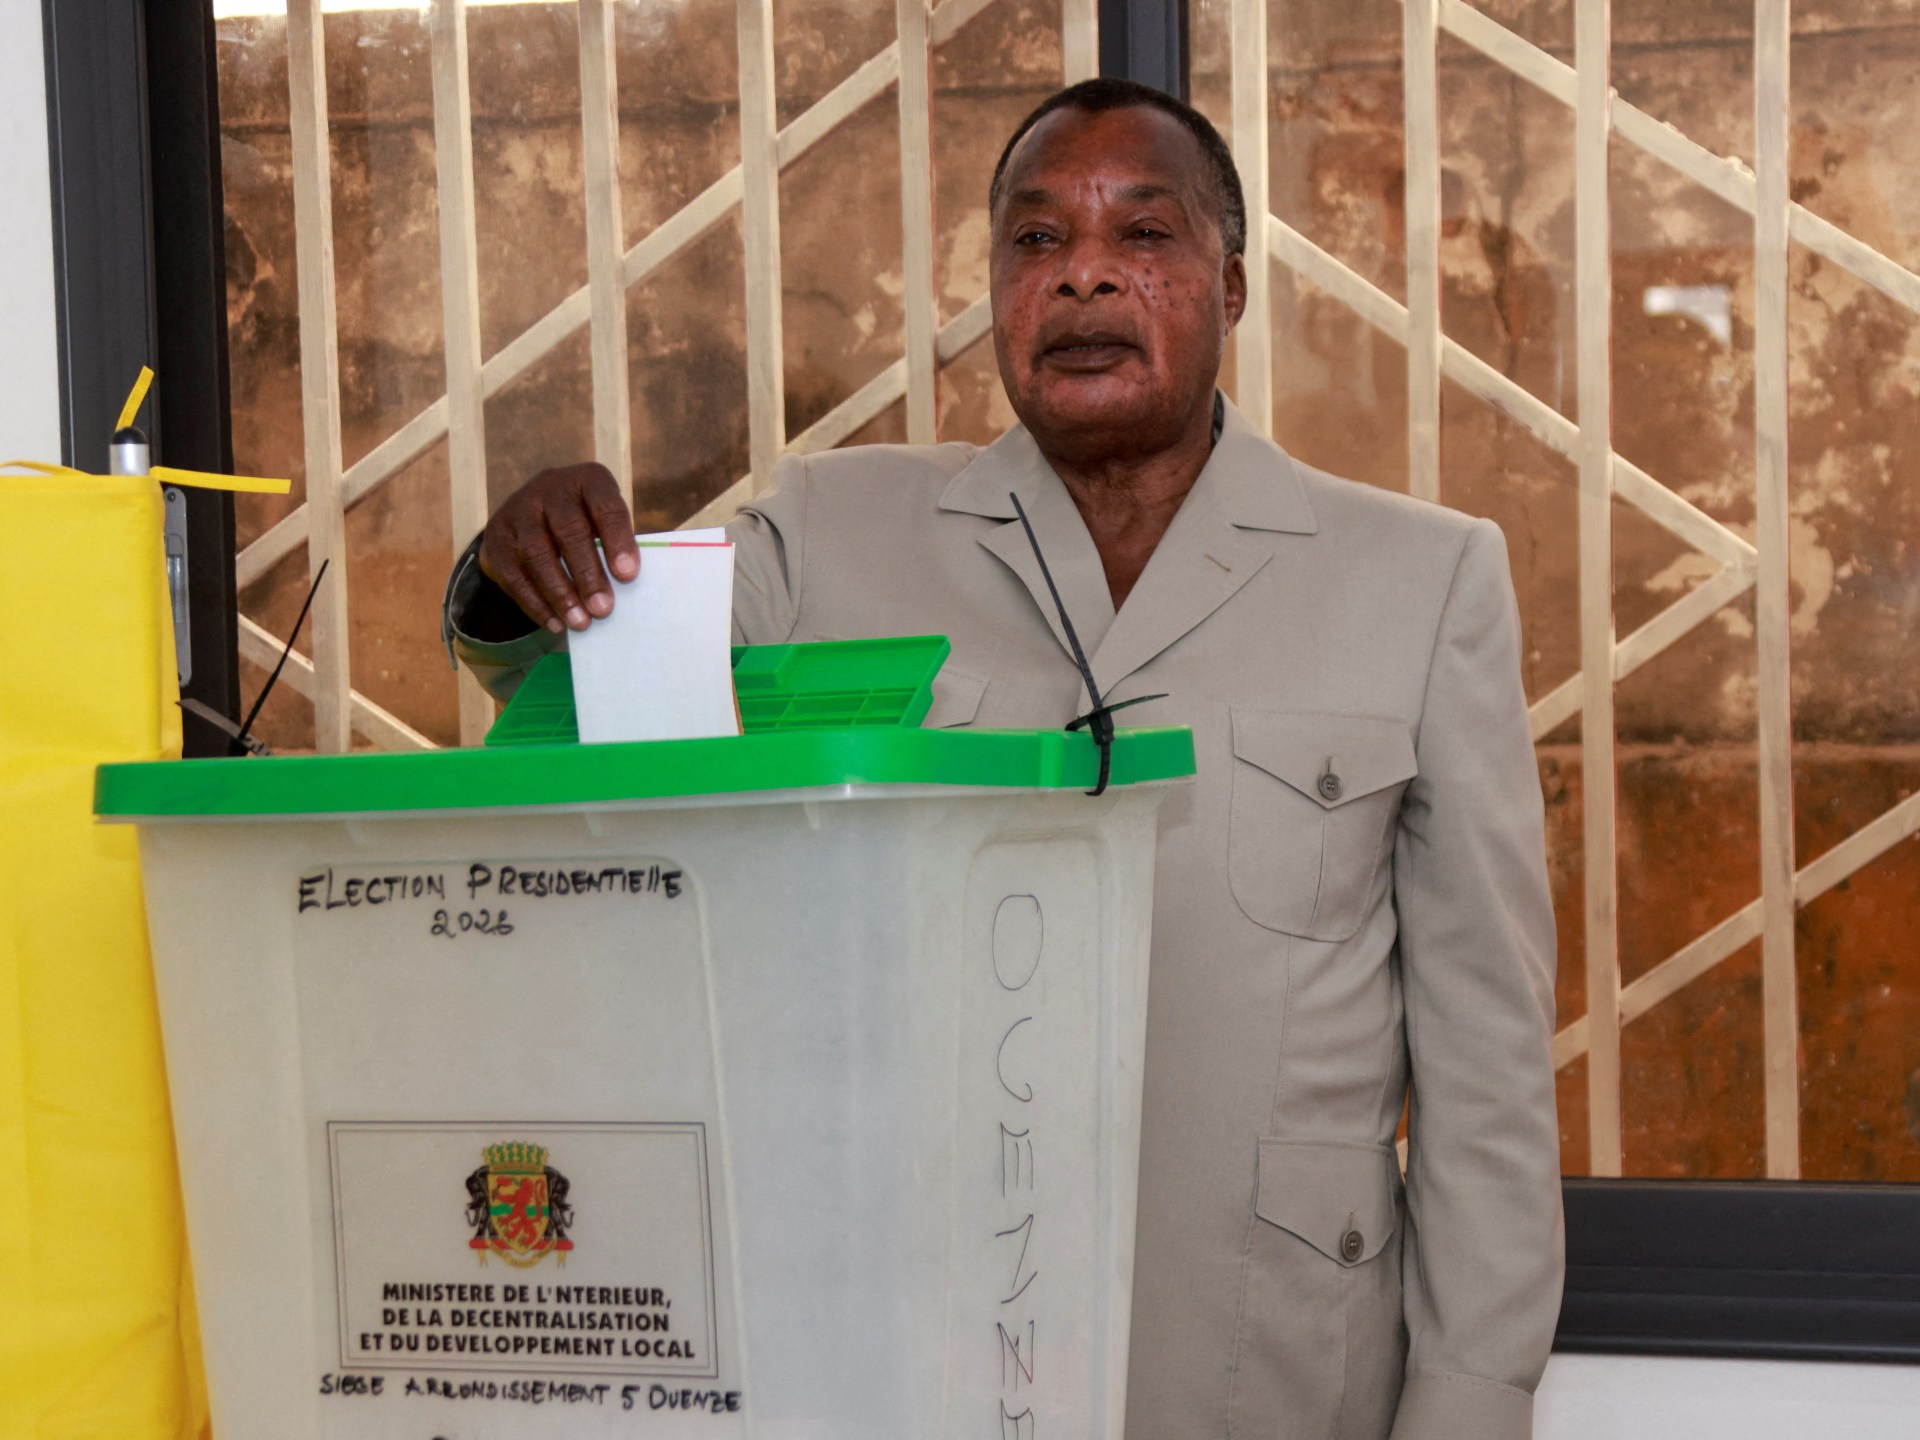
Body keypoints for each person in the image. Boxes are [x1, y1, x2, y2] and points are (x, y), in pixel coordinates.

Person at [445, 78, 1562, 1440]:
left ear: (1230, 285)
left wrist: (1469, 1406)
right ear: (993, 293)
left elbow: (1489, 1066)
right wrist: (527, 578)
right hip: (911, 1363)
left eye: (1142, 234)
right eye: (1037, 239)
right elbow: (597, 710)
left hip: (1273, 1368)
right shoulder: (833, 530)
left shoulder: (1423, 580)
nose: (1083, 272)